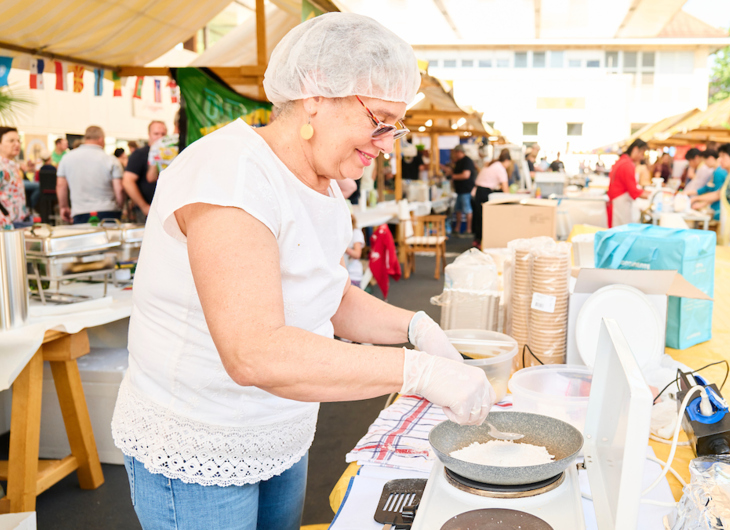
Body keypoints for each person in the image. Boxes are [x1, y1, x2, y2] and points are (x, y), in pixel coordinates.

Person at [110, 14, 495, 530]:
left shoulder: (326, 183)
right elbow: (254, 352)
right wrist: (417, 372)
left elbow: (329, 296)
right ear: (316, 93)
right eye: (379, 119)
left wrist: (415, 328)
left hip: (282, 429)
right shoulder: (232, 172)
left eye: (394, 126)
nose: (388, 143)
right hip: (202, 437)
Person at [56, 126, 124, 224]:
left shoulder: (67, 158)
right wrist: (119, 207)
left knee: (83, 238)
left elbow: (61, 186)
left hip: (80, 212)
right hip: (108, 212)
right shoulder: (111, 160)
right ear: (101, 139)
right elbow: (119, 189)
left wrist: (64, 207)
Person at [123, 120, 167, 222]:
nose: (160, 137)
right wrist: (144, 206)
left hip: (165, 210)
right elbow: (128, 181)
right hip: (148, 211)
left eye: (163, 134)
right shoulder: (140, 154)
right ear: (149, 135)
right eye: (156, 134)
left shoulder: (169, 153)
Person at [471, 149, 512, 245]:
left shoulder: (492, 164)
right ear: (507, 161)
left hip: (477, 191)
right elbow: (505, 189)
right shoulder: (500, 168)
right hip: (484, 192)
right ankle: (482, 242)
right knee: (484, 218)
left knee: (478, 217)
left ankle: (477, 240)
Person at [607, 139, 650, 227]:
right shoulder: (627, 164)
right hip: (620, 201)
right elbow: (633, 189)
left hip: (616, 200)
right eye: (642, 154)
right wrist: (649, 196)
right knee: (621, 230)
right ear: (635, 149)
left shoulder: (622, 161)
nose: (642, 157)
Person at [0, 127, 30, 227]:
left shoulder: (14, 166)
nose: (17, 144)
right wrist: (5, 219)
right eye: (11, 141)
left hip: (18, 224)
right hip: (5, 227)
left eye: (18, 141)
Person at [450, 144, 476, 234]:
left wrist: (453, 176)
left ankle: (468, 229)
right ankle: (457, 228)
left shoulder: (467, 161)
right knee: (458, 209)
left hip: (466, 190)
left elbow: (466, 175)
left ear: (459, 152)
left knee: (467, 209)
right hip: (460, 190)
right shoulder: (458, 161)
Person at [345, 215, 366, 287]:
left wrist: (345, 248)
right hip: (342, 273)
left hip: (352, 274)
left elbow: (357, 254)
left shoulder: (356, 232)